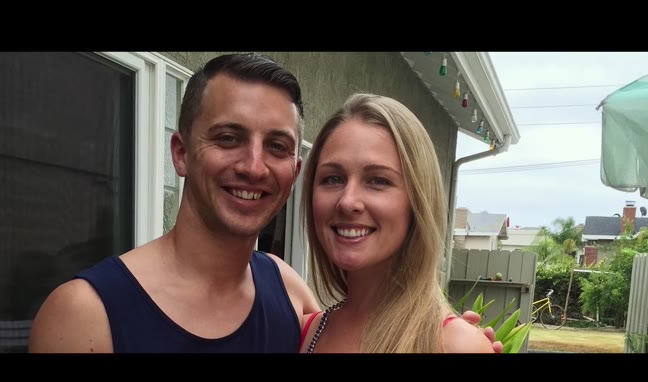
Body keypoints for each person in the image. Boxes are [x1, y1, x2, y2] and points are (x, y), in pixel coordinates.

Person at [29, 53, 497, 353]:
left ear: (294, 172)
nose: (254, 167)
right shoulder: (86, 314)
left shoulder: (287, 294)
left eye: (276, 146)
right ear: (181, 153)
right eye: (228, 138)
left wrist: (453, 338)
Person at [298, 93, 497, 353]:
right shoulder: (302, 332)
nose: (347, 201)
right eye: (333, 178)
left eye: (378, 180)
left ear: (418, 201)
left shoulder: (453, 344)